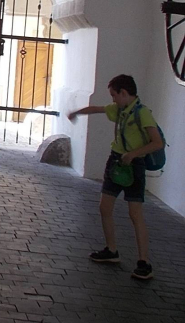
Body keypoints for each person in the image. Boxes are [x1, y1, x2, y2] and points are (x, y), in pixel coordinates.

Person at [68, 74, 163, 280]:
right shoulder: (120, 109)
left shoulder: (142, 113)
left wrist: (133, 154)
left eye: (114, 95)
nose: (112, 99)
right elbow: (97, 109)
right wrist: (76, 113)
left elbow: (157, 143)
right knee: (105, 207)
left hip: (134, 165)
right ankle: (111, 250)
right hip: (116, 161)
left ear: (124, 93)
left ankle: (144, 262)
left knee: (135, 213)